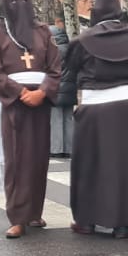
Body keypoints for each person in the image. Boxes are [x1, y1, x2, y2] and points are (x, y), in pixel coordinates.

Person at [64, 0, 128, 238]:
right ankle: (122, 223)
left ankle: (87, 220)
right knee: (126, 163)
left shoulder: (84, 39)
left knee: (91, 163)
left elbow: (70, 72)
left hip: (96, 107)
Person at [0, 0, 63, 239]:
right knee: (16, 159)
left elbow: (55, 66)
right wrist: (19, 93)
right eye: (14, 2)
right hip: (14, 103)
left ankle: (35, 212)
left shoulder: (42, 32)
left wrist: (42, 91)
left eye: (23, 2)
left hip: (39, 101)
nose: (19, 7)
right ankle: (17, 215)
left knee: (38, 159)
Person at [48, 19, 75, 157]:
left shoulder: (53, 52)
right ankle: (69, 148)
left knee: (56, 119)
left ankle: (56, 148)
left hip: (55, 89)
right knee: (68, 119)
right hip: (70, 89)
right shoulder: (71, 51)